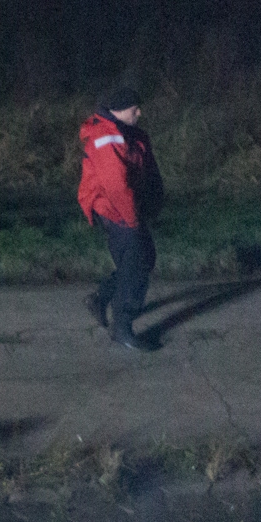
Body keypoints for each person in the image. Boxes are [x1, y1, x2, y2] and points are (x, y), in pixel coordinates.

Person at [78, 87, 165, 351]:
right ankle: (123, 328)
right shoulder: (107, 138)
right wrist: (132, 220)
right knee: (137, 266)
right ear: (118, 110)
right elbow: (116, 187)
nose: (140, 112)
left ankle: (100, 297)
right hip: (115, 210)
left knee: (144, 258)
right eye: (134, 108)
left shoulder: (129, 133)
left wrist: (153, 201)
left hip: (128, 208)